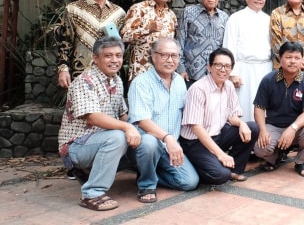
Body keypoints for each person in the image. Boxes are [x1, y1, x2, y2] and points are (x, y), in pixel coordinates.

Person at [57, 36, 140, 211]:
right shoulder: (84, 81)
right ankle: (92, 193)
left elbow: (122, 114)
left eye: (118, 55)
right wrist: (127, 127)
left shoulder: (116, 80)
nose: (115, 60)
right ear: (95, 58)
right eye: (108, 55)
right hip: (76, 145)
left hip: (99, 141)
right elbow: (93, 117)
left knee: (141, 137)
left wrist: (138, 131)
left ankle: (89, 173)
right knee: (118, 137)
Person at [127, 38, 199, 203]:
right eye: (165, 55)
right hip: (145, 145)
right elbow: (142, 121)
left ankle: (149, 171)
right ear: (153, 56)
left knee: (189, 182)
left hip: (170, 148)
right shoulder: (141, 83)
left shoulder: (180, 82)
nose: (170, 60)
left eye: (174, 56)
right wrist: (168, 138)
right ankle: (147, 184)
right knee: (150, 142)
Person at [179, 48, 259, 184]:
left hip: (218, 135)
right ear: (209, 66)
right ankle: (197, 164)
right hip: (195, 141)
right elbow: (196, 127)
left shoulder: (228, 86)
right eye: (218, 65)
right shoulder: (198, 89)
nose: (223, 69)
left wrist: (242, 124)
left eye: (227, 66)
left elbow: (232, 116)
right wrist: (221, 155)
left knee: (252, 127)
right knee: (220, 175)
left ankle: (234, 170)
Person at [253, 41, 304, 177]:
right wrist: (263, 130)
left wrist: (292, 128)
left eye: (297, 58)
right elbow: (259, 108)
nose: (292, 61)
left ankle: (300, 161)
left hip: (297, 128)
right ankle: (276, 157)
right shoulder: (268, 79)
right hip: (274, 126)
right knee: (259, 149)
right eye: (288, 57)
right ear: (279, 58)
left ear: (302, 60)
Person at [57, 0, 126, 88]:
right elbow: (64, 42)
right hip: (80, 72)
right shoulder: (73, 9)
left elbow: (121, 44)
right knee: (82, 107)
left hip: (110, 73)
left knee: (109, 106)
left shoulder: (119, 13)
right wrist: (63, 69)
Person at [222, 0, 272, 122]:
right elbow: (229, 45)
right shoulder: (236, 18)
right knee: (245, 105)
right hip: (244, 69)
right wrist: (232, 73)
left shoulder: (269, 19)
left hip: (265, 68)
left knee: (265, 105)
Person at [121, 0, 178, 81]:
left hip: (163, 74)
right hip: (141, 71)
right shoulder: (138, 9)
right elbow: (124, 36)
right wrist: (147, 29)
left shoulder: (171, 16)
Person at [176, 0, 229, 86]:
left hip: (215, 74)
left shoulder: (224, 17)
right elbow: (180, 41)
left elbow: (226, 46)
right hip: (191, 73)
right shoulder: (188, 12)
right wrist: (181, 69)